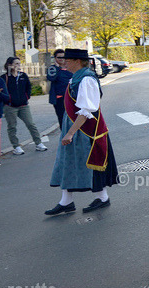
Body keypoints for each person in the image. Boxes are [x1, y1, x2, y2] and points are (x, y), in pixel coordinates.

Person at [46, 48, 117, 215]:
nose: (64, 62)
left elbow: (87, 110)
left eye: (68, 60)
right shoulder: (77, 77)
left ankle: (102, 197)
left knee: (92, 164)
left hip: (86, 130)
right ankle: (67, 201)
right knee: (67, 163)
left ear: (78, 62)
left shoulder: (86, 80)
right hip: (75, 127)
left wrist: (70, 133)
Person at [2, 57, 47, 156]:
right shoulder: (4, 77)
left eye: (19, 64)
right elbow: (2, 91)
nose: (18, 66)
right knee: (12, 127)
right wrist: (8, 99)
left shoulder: (23, 75)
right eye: (16, 64)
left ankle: (38, 143)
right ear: (10, 65)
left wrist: (26, 97)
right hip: (10, 106)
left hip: (23, 105)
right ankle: (16, 146)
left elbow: (28, 87)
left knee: (31, 124)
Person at [46, 50, 72, 127]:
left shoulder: (70, 67)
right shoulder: (52, 68)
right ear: (55, 58)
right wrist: (57, 68)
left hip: (71, 97)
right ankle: (64, 136)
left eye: (63, 57)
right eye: (59, 57)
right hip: (60, 98)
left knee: (72, 118)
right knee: (62, 119)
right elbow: (51, 78)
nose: (61, 59)